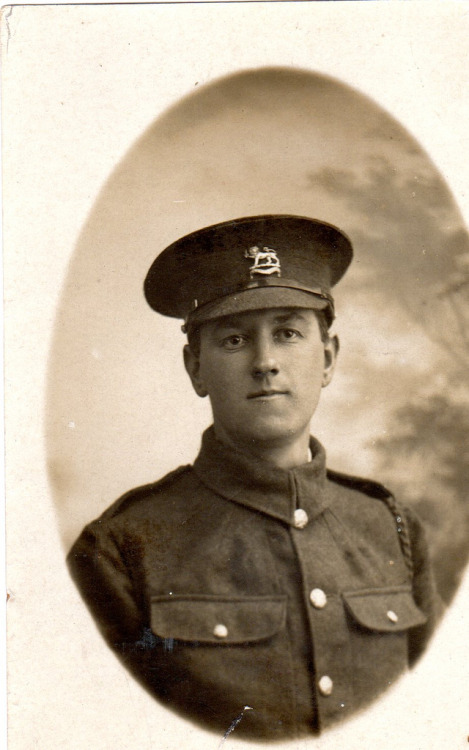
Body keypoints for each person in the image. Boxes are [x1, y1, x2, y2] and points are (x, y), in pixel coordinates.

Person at [67, 214, 440, 741]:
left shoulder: (392, 529)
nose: (265, 362)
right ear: (195, 367)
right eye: (235, 341)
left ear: (328, 358)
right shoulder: (123, 549)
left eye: (288, 333)